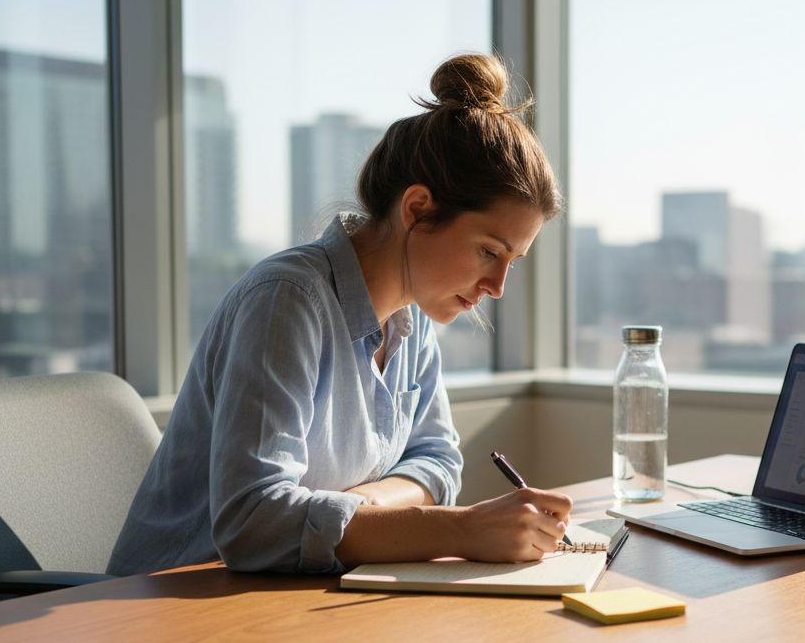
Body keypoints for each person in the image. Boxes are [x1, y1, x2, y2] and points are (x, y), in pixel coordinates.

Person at [108, 54, 571, 576]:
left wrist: (357, 511)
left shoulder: (411, 318)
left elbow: (439, 463)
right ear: (417, 209)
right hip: (170, 608)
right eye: (489, 251)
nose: (498, 287)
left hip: (293, 602)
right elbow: (252, 522)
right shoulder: (287, 300)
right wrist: (459, 529)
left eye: (513, 261)